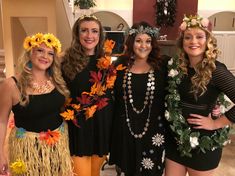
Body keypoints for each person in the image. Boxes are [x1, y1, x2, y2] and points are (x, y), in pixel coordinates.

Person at [165, 14, 235, 176]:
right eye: (188, 37)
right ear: (182, 42)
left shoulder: (216, 71)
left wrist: (216, 123)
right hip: (175, 141)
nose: (193, 41)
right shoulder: (177, 68)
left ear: (208, 40)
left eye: (199, 36)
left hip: (203, 143)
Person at [0, 33, 72, 175]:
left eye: (50, 53)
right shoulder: (11, 85)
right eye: (40, 50)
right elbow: (1, 120)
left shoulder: (57, 80)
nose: (45, 56)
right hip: (27, 150)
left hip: (57, 147)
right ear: (29, 52)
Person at [109, 21, 169, 176]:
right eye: (138, 41)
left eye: (148, 41)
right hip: (125, 130)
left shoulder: (163, 65)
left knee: (151, 171)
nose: (143, 46)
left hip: (154, 131)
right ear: (131, 42)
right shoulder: (120, 65)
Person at [61, 15, 115, 176]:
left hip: (101, 128)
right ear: (77, 34)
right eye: (84, 30)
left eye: (94, 31)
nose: (89, 36)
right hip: (77, 129)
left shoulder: (106, 62)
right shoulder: (65, 60)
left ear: (100, 35)